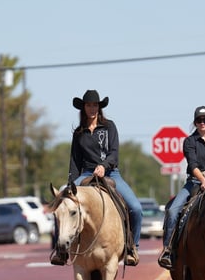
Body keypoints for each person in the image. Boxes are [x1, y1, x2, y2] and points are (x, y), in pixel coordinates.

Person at [50, 89, 142, 266]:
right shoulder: (79, 133)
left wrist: (104, 165)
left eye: (95, 105)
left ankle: (132, 247)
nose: (92, 108)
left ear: (99, 108)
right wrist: (70, 185)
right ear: (83, 108)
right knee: (61, 199)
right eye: (88, 105)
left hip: (110, 173)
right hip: (85, 174)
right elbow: (75, 162)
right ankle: (60, 251)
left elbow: (114, 153)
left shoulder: (109, 127)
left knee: (136, 208)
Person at [158, 105, 205, 270]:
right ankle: (168, 250)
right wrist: (202, 180)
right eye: (199, 120)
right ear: (195, 122)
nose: (202, 123)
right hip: (194, 182)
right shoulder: (189, 141)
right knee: (172, 210)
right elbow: (192, 164)